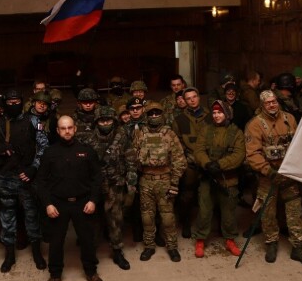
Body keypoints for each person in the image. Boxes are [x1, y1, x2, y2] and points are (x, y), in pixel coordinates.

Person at [245, 90, 302, 267]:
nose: (272, 105)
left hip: (289, 173)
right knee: (267, 211)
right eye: (268, 103)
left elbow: (299, 143)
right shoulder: (255, 124)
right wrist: (268, 171)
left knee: (295, 210)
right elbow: (253, 154)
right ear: (262, 105)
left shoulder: (289, 119)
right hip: (268, 176)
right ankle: (271, 242)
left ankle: (298, 246)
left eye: (274, 101)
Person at [37, 116, 105, 281]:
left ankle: (91, 272)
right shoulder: (49, 153)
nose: (66, 131)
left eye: (69, 128)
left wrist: (93, 200)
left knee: (87, 240)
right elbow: (41, 181)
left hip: (83, 203)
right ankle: (55, 275)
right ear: (58, 131)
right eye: (63, 128)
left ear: (75, 129)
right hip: (58, 204)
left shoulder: (87, 151)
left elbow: (97, 178)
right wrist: (48, 204)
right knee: (56, 242)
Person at [0, 89, 49, 272]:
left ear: (22, 101)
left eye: (17, 102)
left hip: (26, 176)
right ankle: (9, 255)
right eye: (10, 102)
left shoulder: (33, 121)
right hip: (6, 176)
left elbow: (44, 147)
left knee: (31, 214)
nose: (13, 105)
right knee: (7, 216)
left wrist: (33, 167)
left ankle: (36, 252)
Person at [130, 101, 187, 262]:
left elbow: (179, 160)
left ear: (162, 115)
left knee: (168, 218)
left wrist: (174, 183)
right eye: (151, 114)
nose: (154, 116)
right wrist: (134, 179)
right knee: (147, 217)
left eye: (157, 113)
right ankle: (149, 246)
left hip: (165, 180)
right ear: (146, 116)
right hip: (146, 180)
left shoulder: (169, 134)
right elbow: (132, 157)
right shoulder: (140, 134)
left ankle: (172, 247)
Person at [193, 100, 244, 258]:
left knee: (228, 212)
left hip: (228, 179)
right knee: (204, 210)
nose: (216, 115)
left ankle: (230, 239)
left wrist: (220, 164)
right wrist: (207, 163)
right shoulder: (206, 130)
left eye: (220, 112)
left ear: (227, 114)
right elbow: (199, 149)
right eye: (214, 113)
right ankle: (200, 239)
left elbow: (239, 155)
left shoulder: (236, 132)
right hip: (208, 177)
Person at [85, 106, 131, 270]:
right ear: (97, 122)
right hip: (94, 186)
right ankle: (91, 252)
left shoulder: (122, 136)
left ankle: (117, 251)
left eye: (108, 120)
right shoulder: (89, 140)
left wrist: (131, 182)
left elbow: (130, 158)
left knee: (115, 218)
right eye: (102, 121)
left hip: (115, 184)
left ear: (114, 121)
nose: (105, 123)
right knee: (92, 220)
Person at [172, 87, 210, 238]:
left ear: (199, 97)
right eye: (188, 98)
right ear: (184, 101)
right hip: (190, 163)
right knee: (186, 195)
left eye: (194, 97)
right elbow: (177, 143)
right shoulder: (179, 120)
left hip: (209, 162)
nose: (192, 100)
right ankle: (186, 223)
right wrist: (186, 158)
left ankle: (215, 224)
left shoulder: (210, 116)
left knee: (211, 194)